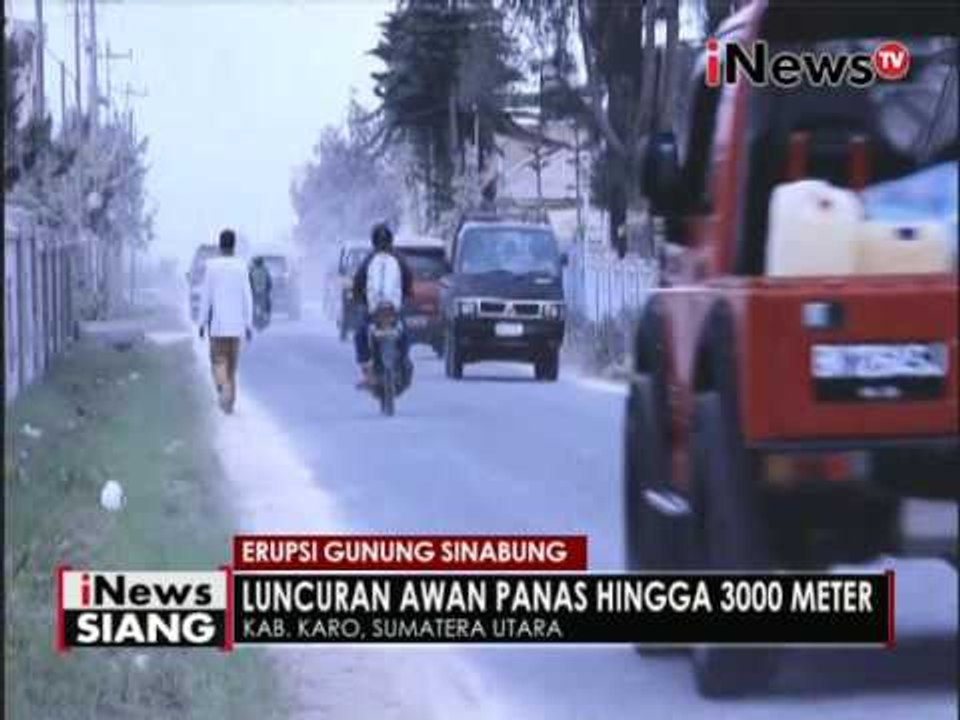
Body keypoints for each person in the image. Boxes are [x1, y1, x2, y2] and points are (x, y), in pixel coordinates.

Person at [198, 228, 254, 414]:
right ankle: (228, 401)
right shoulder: (241, 266)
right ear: (234, 245)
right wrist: (248, 323)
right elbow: (248, 297)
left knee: (219, 362)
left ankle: (225, 393)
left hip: (218, 327)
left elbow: (206, 297)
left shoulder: (211, 267)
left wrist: (201, 322)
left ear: (220, 245)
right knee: (231, 366)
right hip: (236, 327)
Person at [352, 222, 413, 388]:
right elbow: (408, 282)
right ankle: (369, 370)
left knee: (361, 333)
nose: (383, 244)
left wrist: (358, 299)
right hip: (379, 309)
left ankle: (398, 361)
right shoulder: (393, 259)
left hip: (386, 309)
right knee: (361, 333)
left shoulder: (377, 259)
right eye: (382, 240)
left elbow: (357, 285)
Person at [249, 256, 273, 330]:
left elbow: (249, 281)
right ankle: (265, 316)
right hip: (261, 292)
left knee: (254, 306)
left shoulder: (252, 270)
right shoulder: (265, 270)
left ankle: (257, 317)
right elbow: (269, 282)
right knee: (266, 305)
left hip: (256, 292)